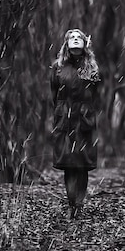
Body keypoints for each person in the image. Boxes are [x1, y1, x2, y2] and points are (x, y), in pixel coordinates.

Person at [50, 28, 101, 219]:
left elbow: (95, 94)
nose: (75, 39)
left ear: (85, 42)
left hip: (85, 120)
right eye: (72, 37)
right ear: (66, 43)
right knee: (69, 163)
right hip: (64, 119)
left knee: (82, 164)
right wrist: (61, 112)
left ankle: (79, 205)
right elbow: (54, 94)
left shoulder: (91, 67)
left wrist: (87, 112)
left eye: (79, 37)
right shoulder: (58, 67)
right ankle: (72, 204)